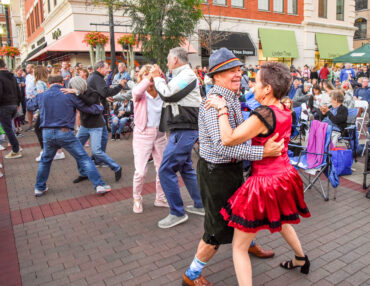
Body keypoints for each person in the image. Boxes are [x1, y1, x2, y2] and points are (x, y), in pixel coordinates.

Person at [182, 48, 282, 286]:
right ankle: (191, 274)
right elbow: (222, 147)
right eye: (231, 71)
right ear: (216, 76)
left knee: (245, 213)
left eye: (238, 70)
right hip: (217, 174)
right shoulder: (213, 102)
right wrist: (262, 151)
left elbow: (238, 134)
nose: (238, 75)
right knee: (216, 229)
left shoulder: (230, 96)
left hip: (232, 169)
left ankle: (247, 244)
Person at [206, 61, 311, 286]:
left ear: (267, 89)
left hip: (266, 182)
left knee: (239, 247)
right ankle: (301, 258)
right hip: (285, 176)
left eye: (257, 81)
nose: (252, 84)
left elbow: (228, 138)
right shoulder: (284, 107)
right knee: (283, 222)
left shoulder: (264, 114)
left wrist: (221, 108)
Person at [27, 74, 112, 196]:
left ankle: (39, 188)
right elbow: (87, 108)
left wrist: (35, 97)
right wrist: (99, 108)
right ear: (62, 83)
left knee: (45, 160)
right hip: (65, 132)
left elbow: (29, 105)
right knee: (83, 158)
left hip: (47, 133)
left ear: (48, 84)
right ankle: (99, 185)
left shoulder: (42, 95)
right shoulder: (68, 95)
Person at [150, 47, 204, 229]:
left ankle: (177, 212)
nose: (166, 63)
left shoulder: (187, 75)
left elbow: (167, 94)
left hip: (185, 129)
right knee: (186, 168)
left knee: (165, 170)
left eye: (167, 59)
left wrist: (157, 77)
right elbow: (171, 93)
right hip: (182, 128)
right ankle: (201, 204)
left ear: (174, 60)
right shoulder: (183, 75)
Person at [61, 76, 122, 183]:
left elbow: (89, 102)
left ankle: (116, 167)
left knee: (96, 151)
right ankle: (83, 173)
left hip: (96, 126)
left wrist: (77, 93)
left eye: (73, 88)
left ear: (78, 87)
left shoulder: (93, 92)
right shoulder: (76, 94)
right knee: (76, 149)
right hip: (84, 126)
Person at [130, 64, 169, 213]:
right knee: (140, 171)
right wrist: (148, 79)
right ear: (141, 76)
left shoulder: (161, 91)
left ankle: (160, 197)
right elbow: (137, 91)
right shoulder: (139, 93)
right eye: (146, 74)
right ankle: (137, 198)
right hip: (142, 134)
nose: (150, 76)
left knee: (161, 169)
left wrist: (159, 77)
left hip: (159, 134)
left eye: (152, 74)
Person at [33, 66, 66, 162]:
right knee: (52, 129)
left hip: (45, 110)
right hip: (52, 108)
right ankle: (58, 151)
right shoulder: (45, 82)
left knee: (39, 129)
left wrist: (38, 111)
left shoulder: (39, 83)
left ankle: (45, 151)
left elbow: (41, 98)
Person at [87, 61, 127, 130]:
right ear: (99, 68)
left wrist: (105, 98)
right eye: (106, 68)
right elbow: (105, 92)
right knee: (102, 135)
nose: (108, 70)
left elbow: (100, 93)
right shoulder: (97, 78)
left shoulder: (95, 77)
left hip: (96, 110)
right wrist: (120, 86)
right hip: (97, 112)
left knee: (103, 135)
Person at [0, 59, 22, 159]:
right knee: (9, 128)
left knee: (8, 129)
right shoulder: (12, 76)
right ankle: (16, 146)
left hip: (4, 106)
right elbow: (18, 92)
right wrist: (16, 104)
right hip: (13, 105)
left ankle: (16, 150)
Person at [25, 64, 37, 131]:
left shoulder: (36, 76)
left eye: (28, 68)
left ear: (32, 68)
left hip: (35, 96)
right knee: (29, 110)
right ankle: (30, 125)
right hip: (28, 96)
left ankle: (37, 124)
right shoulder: (27, 76)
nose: (26, 69)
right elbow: (27, 86)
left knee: (36, 111)